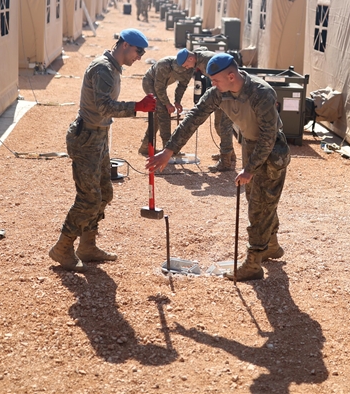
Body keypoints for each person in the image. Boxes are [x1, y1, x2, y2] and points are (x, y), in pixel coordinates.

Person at [147, 53, 290, 281]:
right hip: (251, 146)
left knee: (260, 205)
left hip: (271, 151)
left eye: (215, 81)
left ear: (231, 76)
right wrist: (170, 150)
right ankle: (270, 245)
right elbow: (194, 117)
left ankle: (253, 263)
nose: (212, 85)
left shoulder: (261, 93)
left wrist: (250, 169)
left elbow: (268, 137)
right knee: (256, 198)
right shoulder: (218, 93)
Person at [49, 28, 157, 271]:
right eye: (138, 51)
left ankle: (87, 247)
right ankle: (62, 247)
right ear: (125, 45)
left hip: (98, 136)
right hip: (86, 138)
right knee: (88, 198)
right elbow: (104, 106)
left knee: (104, 193)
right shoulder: (103, 68)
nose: (139, 57)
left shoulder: (112, 68)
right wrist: (137, 106)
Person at [138, 48, 217, 155]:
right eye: (183, 67)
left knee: (158, 116)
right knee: (163, 112)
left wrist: (177, 102)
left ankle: (145, 147)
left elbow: (182, 85)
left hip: (161, 86)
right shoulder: (164, 65)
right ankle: (168, 149)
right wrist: (167, 104)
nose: (186, 68)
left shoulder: (189, 68)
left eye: (186, 67)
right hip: (150, 84)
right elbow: (159, 88)